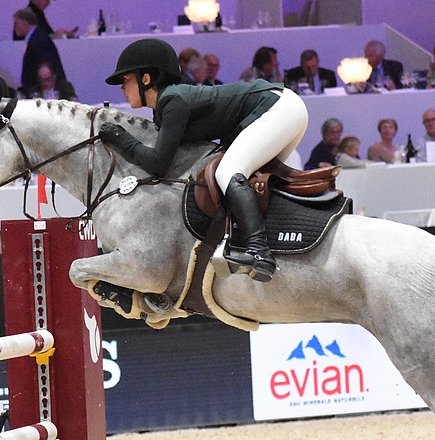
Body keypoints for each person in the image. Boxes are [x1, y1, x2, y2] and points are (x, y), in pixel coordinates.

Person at [98, 38, 308, 283]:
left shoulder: (172, 100)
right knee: (250, 182)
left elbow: (158, 163)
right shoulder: (166, 107)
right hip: (284, 109)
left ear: (146, 79)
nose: (122, 87)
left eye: (126, 80)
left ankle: (259, 251)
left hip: (278, 108)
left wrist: (120, 138)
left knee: (228, 171)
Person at [14, 8, 67, 98]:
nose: (15, 27)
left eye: (16, 23)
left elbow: (46, 67)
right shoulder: (38, 37)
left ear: (25, 23)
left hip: (43, 92)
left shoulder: (38, 40)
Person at [12, 0, 77, 40]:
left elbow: (43, 36)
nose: (48, 3)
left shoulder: (37, 14)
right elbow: (37, 38)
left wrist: (58, 35)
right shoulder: (29, 16)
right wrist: (59, 36)